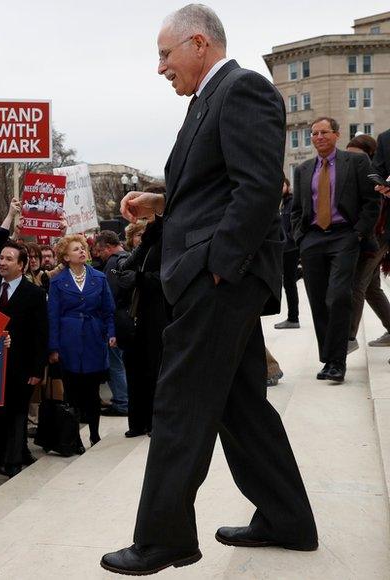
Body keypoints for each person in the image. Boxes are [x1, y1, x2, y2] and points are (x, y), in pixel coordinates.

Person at [102, 6, 318, 574]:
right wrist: (161, 200)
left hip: (220, 278)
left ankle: (164, 537)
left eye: (165, 55)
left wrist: (219, 266)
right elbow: (214, 181)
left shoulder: (242, 89)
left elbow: (257, 188)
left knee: (178, 403)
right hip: (216, 274)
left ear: (198, 43)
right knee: (241, 405)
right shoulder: (210, 99)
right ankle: (287, 518)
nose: (160, 68)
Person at [291, 116, 380, 382]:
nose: (319, 137)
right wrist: (301, 237)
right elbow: (297, 209)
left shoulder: (355, 162)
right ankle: (328, 359)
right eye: (314, 133)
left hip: (345, 236)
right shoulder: (303, 169)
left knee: (339, 296)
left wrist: (358, 233)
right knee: (319, 302)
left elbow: (372, 201)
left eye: (324, 132)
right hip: (313, 239)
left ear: (337, 135)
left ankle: (337, 361)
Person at [0, 198, 47, 491]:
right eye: (0, 258)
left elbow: (41, 333)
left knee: (16, 418)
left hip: (21, 367)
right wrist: (10, 213)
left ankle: (12, 462)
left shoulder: (33, 294)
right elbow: (0, 239)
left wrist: (36, 369)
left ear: (22, 265)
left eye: (8, 259)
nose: (1, 262)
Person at [48, 234, 115, 449]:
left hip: (94, 339)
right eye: (76, 249)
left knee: (92, 392)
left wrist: (111, 333)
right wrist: (54, 347)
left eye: (83, 248)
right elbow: (53, 316)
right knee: (72, 392)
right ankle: (74, 438)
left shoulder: (99, 278)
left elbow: (108, 311)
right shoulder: (58, 282)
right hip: (69, 341)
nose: (81, 251)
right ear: (66, 257)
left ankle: (95, 434)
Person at [119, 216, 167, 438]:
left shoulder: (167, 240)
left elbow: (167, 278)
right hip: (136, 318)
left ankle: (156, 421)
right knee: (136, 371)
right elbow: (124, 267)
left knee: (155, 369)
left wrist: (139, 278)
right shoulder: (147, 244)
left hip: (158, 315)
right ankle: (138, 422)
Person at [347, 133, 390, 349]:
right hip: (368, 235)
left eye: (356, 156)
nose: (350, 160)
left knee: (357, 283)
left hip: (381, 233)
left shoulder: (373, 175)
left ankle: (348, 338)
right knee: (371, 287)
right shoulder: (357, 174)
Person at [97, 230, 130, 417]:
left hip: (116, 321)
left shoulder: (112, 263)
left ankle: (122, 401)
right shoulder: (130, 257)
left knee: (115, 364)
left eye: (100, 251)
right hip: (129, 319)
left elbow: (109, 296)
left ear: (108, 247)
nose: (99, 255)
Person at [275, 177, 301, 329]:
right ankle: (292, 317)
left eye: (282, 185)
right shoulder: (282, 204)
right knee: (288, 281)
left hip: (290, 248)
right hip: (285, 248)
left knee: (289, 283)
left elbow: (293, 224)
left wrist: (290, 239)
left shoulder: (290, 202)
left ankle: (293, 318)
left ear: (287, 186)